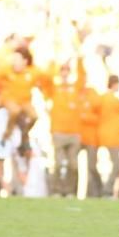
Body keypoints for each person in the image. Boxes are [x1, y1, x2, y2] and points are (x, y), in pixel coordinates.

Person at [43, 59, 83, 198]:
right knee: (58, 163)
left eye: (67, 70)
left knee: (73, 164)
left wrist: (79, 58)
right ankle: (56, 190)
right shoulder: (54, 88)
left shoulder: (75, 88)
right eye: (63, 70)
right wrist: (53, 63)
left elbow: (82, 76)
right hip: (58, 131)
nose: (65, 73)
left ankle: (71, 191)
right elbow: (46, 80)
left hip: (74, 132)